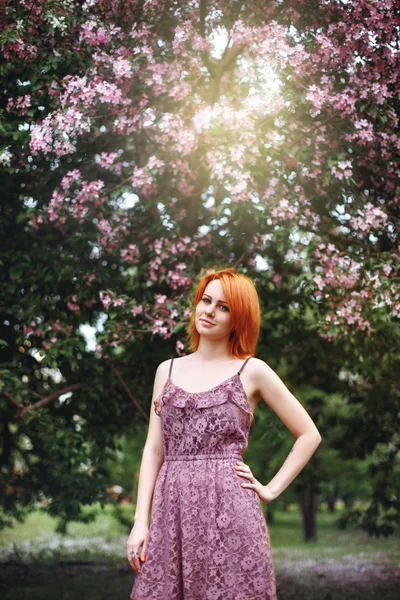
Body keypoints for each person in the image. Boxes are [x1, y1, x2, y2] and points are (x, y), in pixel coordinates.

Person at [128, 267, 322, 599]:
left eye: (224, 307)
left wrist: (272, 489)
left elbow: (308, 434)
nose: (210, 311)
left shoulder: (253, 370)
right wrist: (139, 521)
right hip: (170, 510)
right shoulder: (166, 370)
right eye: (206, 300)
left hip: (231, 511)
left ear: (238, 318)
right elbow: (154, 450)